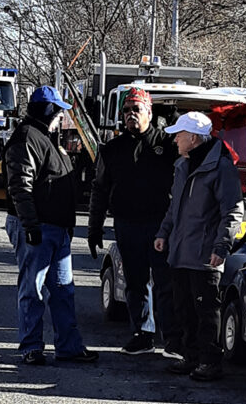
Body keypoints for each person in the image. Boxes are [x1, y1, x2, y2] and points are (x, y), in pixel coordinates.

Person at [3, 85, 98, 366]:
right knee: (33, 288)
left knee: (63, 289)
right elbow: (20, 186)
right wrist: (31, 226)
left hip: (55, 227)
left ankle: (68, 346)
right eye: (58, 112)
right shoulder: (26, 139)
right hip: (38, 227)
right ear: (49, 111)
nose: (61, 118)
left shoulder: (44, 138)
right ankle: (31, 347)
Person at [87, 87, 181, 356]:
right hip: (127, 225)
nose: (131, 115)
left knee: (165, 282)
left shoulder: (168, 145)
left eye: (136, 110)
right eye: (126, 111)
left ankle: (172, 338)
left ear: (149, 113)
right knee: (135, 283)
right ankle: (142, 333)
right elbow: (100, 190)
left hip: (160, 226)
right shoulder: (111, 150)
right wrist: (94, 229)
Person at [154, 111, 244, 381]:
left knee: (206, 311)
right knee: (184, 308)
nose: (175, 141)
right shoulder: (183, 165)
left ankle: (209, 361)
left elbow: (233, 211)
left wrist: (221, 247)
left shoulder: (221, 167)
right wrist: (164, 232)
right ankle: (191, 357)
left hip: (205, 255)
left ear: (193, 138)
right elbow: (175, 206)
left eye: (179, 135)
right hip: (181, 251)